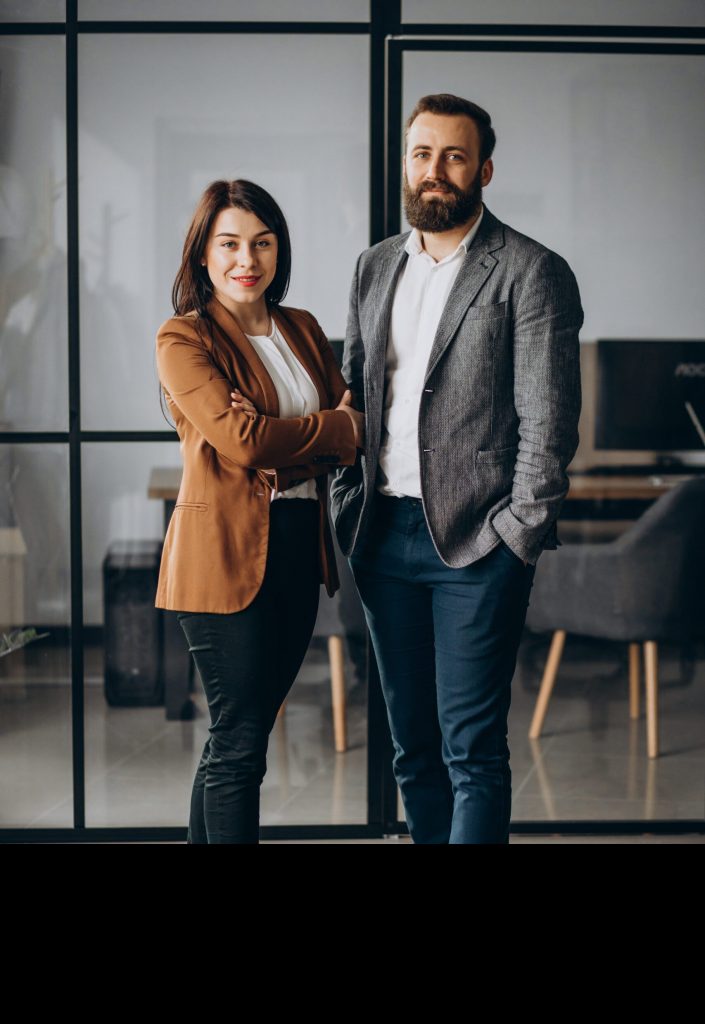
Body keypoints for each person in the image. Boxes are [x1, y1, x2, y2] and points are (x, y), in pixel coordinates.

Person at [330, 93, 583, 844]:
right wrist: (349, 498)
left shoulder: (530, 271)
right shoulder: (374, 266)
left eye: (453, 156)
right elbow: (353, 391)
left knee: (470, 751)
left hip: (477, 543)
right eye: (421, 153)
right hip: (381, 536)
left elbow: (549, 420)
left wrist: (515, 535)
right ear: (405, 164)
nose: (434, 170)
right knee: (412, 751)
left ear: (483, 170)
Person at [155, 179, 364, 844]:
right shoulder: (184, 337)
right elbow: (242, 442)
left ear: (279, 251)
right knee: (241, 740)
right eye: (230, 244)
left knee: (236, 738)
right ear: (203, 255)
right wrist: (325, 430)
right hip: (220, 560)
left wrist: (289, 443)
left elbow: (354, 429)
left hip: (299, 544)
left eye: (262, 243)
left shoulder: (300, 327)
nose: (248, 258)